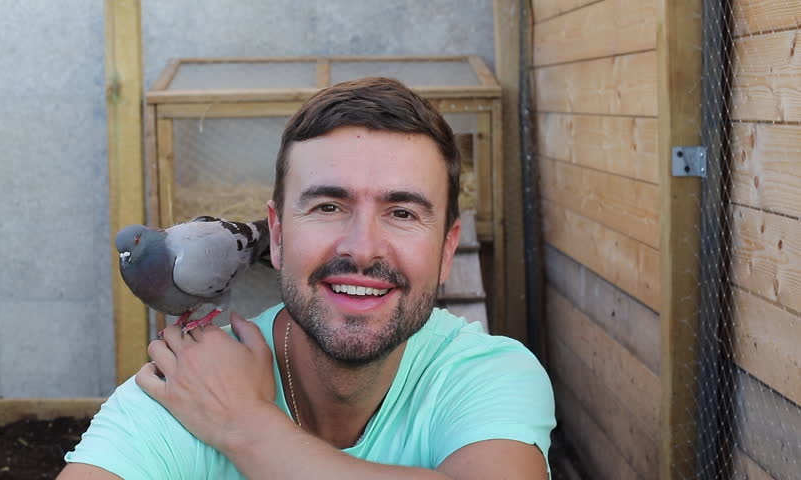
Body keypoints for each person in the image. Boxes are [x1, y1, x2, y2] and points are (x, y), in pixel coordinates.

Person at [59, 77, 555, 479]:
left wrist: (243, 423)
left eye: (402, 213)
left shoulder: (486, 377)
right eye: (328, 206)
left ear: (448, 248)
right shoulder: (182, 386)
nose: (361, 248)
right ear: (275, 236)